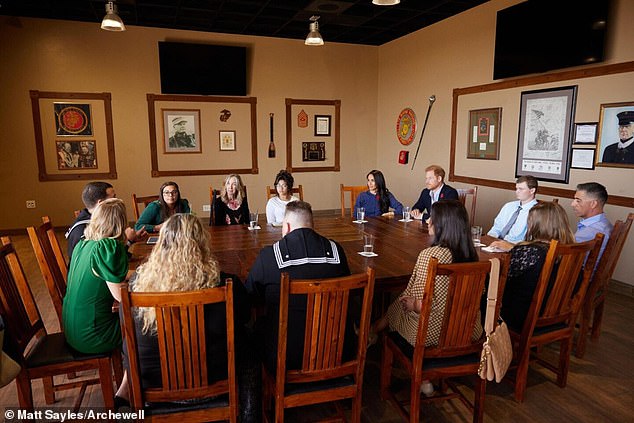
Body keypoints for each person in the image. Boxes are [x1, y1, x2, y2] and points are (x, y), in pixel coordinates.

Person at [119, 214, 259, 421]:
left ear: (161, 244)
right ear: (202, 243)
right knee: (250, 341)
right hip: (216, 379)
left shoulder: (137, 286)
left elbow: (126, 327)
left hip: (154, 385)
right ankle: (248, 417)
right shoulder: (225, 283)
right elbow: (245, 315)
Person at [371, 200, 480, 396]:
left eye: (432, 219)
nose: (428, 221)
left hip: (431, 334)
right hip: (468, 330)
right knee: (400, 304)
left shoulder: (431, 255)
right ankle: (371, 333)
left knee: (399, 304)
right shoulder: (472, 256)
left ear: (442, 226)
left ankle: (372, 337)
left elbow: (418, 301)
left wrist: (412, 303)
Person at [245, 201, 351, 373]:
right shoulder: (337, 251)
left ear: (286, 227)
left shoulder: (269, 256)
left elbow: (250, 296)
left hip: (286, 357)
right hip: (337, 351)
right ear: (312, 225)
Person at [62, 198, 130, 355]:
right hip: (94, 335)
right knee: (147, 326)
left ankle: (130, 375)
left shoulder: (83, 244)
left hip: (73, 330)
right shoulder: (108, 247)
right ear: (121, 222)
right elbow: (121, 297)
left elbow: (104, 274)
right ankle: (133, 376)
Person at [500, 201, 576, 331]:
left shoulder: (530, 251)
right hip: (556, 313)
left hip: (521, 316)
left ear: (536, 225)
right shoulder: (573, 252)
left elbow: (503, 281)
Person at [65, 182, 145, 260]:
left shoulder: (99, 220)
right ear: (101, 203)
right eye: (113, 198)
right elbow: (110, 261)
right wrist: (129, 242)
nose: (116, 200)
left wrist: (131, 239)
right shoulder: (84, 230)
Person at [488, 175, 539, 248]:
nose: (517, 192)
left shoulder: (536, 212)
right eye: (516, 188)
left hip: (514, 248)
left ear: (532, 191)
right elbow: (496, 228)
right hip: (495, 244)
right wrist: (490, 240)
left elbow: (528, 241)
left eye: (521, 189)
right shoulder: (509, 206)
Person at [571, 182, 612, 262]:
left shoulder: (587, 234)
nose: (572, 204)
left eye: (578, 201)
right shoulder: (606, 224)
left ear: (593, 204)